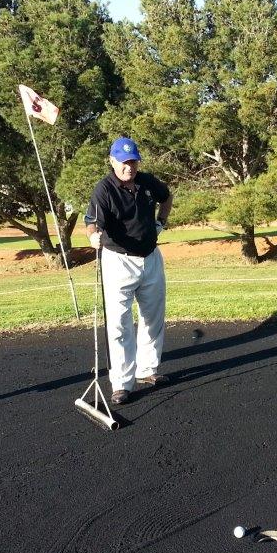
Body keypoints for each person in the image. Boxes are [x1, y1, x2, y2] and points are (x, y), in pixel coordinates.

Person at [85, 137, 173, 405]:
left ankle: (148, 369)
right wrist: (92, 237)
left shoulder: (146, 181)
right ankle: (122, 383)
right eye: (124, 162)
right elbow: (92, 222)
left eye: (133, 161)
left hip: (150, 257)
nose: (129, 167)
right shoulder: (104, 189)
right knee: (120, 323)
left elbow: (167, 197)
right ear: (113, 162)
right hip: (119, 261)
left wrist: (161, 223)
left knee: (153, 317)